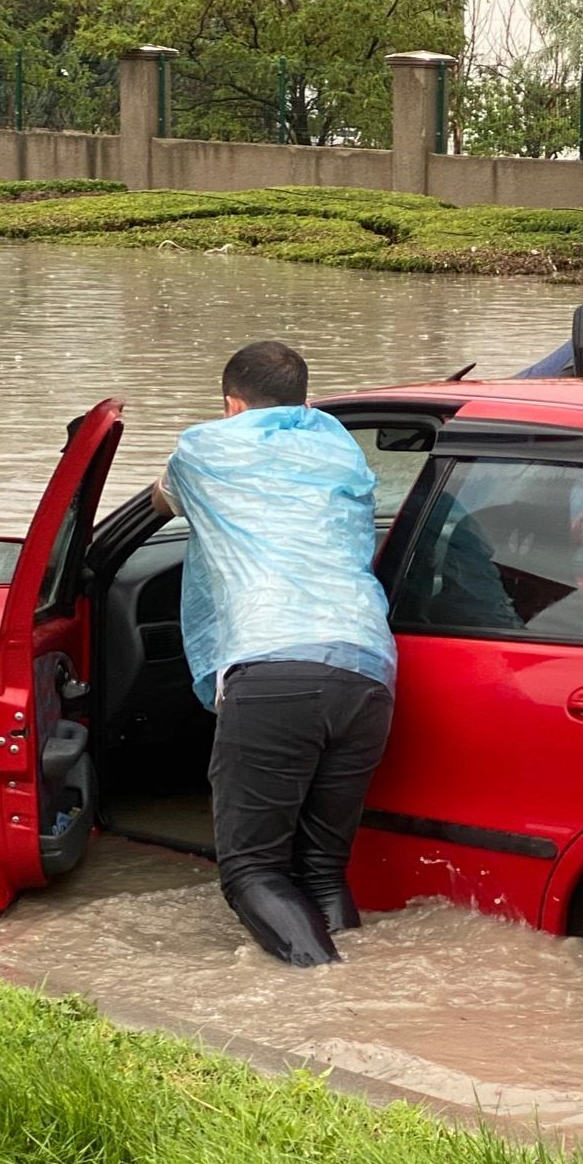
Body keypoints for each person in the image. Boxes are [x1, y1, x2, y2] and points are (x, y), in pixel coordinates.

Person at [151, 341, 396, 968]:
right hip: (368, 672)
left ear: (232, 405)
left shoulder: (205, 449)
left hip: (275, 667)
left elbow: (161, 501)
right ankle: (364, 989)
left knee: (251, 873)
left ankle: (329, 995)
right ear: (305, 403)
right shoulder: (340, 448)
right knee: (320, 870)